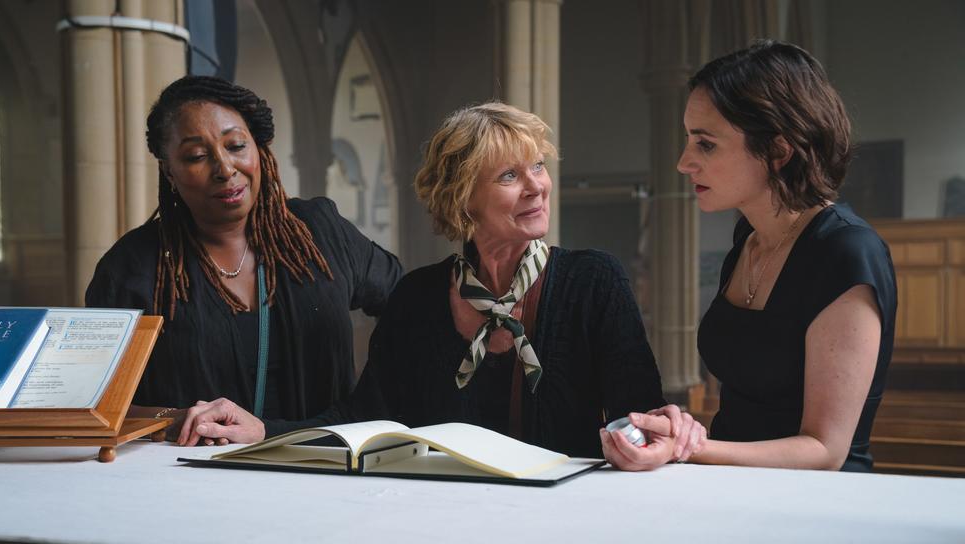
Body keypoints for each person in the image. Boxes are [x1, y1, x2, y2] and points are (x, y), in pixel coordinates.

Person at [204, 101, 703, 467]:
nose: (537, 185)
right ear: (463, 198)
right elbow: (364, 418)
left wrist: (651, 443)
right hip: (440, 527)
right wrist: (264, 430)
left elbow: (636, 417)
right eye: (510, 175)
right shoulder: (417, 298)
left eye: (538, 166)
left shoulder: (593, 281)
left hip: (562, 526)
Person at [606, 40, 897, 472]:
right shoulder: (749, 238)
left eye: (705, 144)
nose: (684, 162)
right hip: (734, 485)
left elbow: (825, 450)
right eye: (689, 140)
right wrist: (681, 431)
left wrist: (688, 449)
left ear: (779, 152)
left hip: (819, 503)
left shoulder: (847, 252)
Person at [85, 76, 402, 446]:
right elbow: (96, 404)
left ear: (259, 149)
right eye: (196, 157)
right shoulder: (132, 268)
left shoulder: (319, 233)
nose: (224, 168)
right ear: (169, 171)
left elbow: (413, 310)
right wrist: (174, 418)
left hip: (324, 464)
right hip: (195, 479)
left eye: (236, 145)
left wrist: (371, 401)